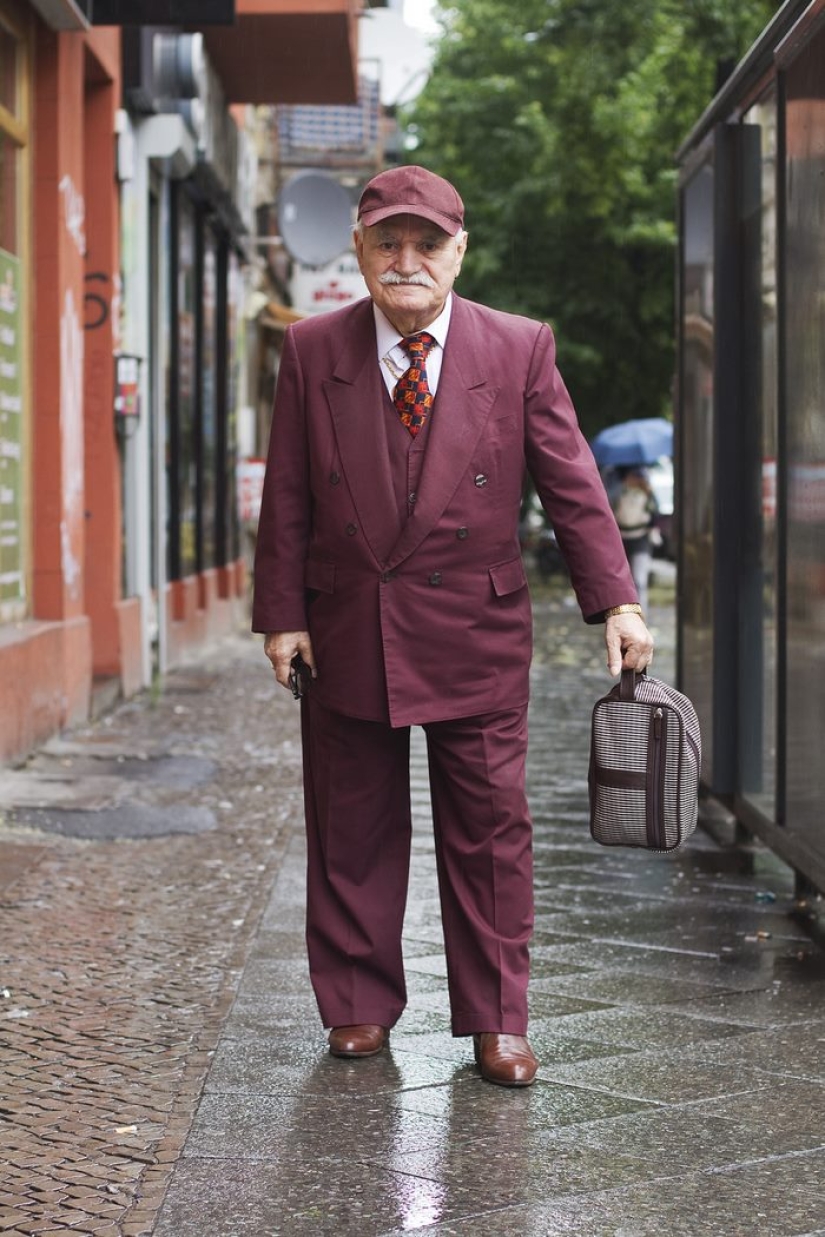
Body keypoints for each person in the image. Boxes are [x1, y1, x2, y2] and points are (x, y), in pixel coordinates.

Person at [252, 165, 654, 1088]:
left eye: (425, 243)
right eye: (387, 241)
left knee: (489, 831)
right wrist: (281, 614)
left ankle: (496, 1017)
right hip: (348, 619)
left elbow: (571, 484)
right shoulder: (313, 349)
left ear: (457, 251)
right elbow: (286, 491)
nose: (406, 260)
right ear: (357, 248)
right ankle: (356, 1002)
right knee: (349, 824)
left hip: (476, 627)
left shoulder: (517, 348)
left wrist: (616, 600)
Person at [611, 467, 659, 615]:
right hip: (622, 538)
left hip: (641, 538)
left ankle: (641, 613)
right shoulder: (619, 492)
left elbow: (655, 513)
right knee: (622, 580)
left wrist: (648, 491)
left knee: (639, 579)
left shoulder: (648, 494)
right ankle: (625, 613)